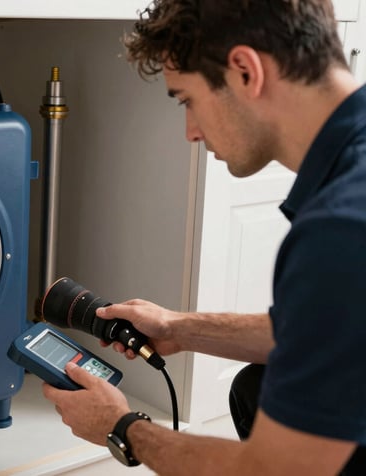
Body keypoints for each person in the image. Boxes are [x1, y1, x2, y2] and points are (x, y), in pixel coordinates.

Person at [41, 1, 366, 474]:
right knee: (256, 387)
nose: (190, 132)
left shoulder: (342, 227)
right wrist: (178, 327)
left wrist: (121, 427)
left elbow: (274, 472)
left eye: (187, 100)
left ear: (245, 71)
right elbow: (327, 331)